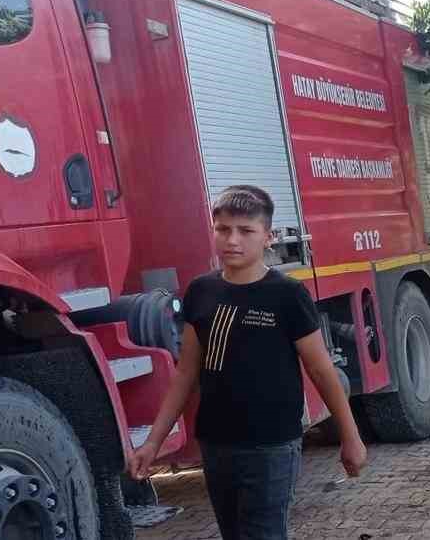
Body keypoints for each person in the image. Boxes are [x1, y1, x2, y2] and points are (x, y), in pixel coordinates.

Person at [128, 185, 366, 540]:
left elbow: (320, 370)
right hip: (216, 444)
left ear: (267, 237)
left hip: (271, 447)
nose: (232, 240)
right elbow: (186, 373)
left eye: (245, 230)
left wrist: (351, 436)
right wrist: (152, 442)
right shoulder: (201, 291)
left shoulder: (287, 295)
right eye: (223, 229)